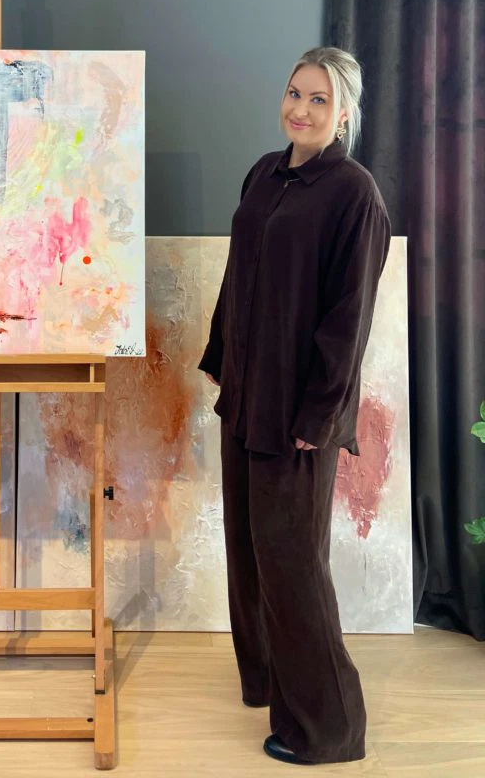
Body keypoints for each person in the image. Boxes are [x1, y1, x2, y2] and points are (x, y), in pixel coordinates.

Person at [199, 47, 391, 765]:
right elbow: (238, 274)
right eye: (294, 93)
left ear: (343, 115)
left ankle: (329, 728)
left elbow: (350, 318)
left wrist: (320, 418)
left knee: (292, 563)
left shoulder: (354, 194)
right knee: (249, 550)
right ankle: (268, 682)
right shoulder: (263, 172)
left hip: (297, 414)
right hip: (247, 395)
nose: (300, 109)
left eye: (318, 100)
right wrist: (221, 358)